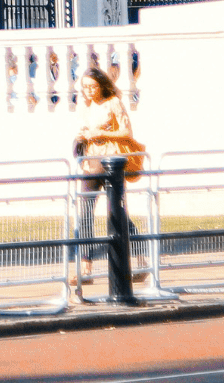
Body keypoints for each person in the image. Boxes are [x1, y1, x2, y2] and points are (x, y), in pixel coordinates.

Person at [72, 66, 146, 295]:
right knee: (85, 211)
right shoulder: (84, 104)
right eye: (84, 87)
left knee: (117, 212)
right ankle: (86, 266)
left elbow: (126, 132)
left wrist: (101, 134)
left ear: (102, 85)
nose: (88, 91)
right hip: (90, 162)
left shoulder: (113, 102)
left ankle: (141, 256)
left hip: (112, 161)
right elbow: (83, 128)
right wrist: (82, 136)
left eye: (92, 86)